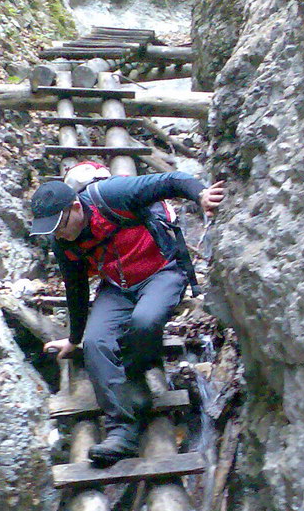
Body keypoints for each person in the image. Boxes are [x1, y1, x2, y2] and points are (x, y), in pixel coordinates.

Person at [29, 171, 225, 467]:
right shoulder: (64, 244)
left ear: (76, 208)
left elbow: (168, 181)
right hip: (117, 287)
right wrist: (74, 339)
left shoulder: (112, 195)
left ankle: (134, 378)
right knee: (96, 343)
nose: (57, 234)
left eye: (58, 225)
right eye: (50, 230)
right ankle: (122, 431)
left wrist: (200, 194)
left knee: (145, 322)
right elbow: (77, 289)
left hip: (163, 271)